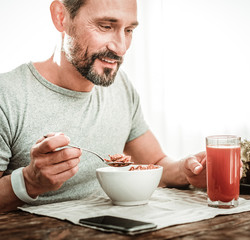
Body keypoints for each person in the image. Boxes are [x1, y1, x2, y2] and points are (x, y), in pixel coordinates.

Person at [0, 0, 210, 212]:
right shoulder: (7, 95)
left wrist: (187, 170)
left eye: (129, 30)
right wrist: (28, 181)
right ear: (60, 16)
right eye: (106, 26)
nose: (120, 48)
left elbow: (155, 163)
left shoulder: (121, 87)